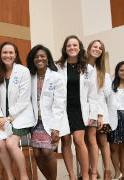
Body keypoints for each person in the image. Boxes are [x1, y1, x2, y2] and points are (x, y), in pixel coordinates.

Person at [56, 35, 99, 180]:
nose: (72, 48)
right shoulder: (57, 67)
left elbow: (93, 95)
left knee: (79, 140)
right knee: (66, 141)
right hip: (63, 110)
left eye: (75, 45)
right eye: (69, 45)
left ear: (79, 48)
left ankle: (85, 175)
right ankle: (72, 176)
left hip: (80, 110)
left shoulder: (88, 69)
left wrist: (93, 115)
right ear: (65, 49)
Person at [26, 45, 69, 180]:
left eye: (42, 56)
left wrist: (55, 128)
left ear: (47, 58)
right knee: (37, 154)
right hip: (35, 122)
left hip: (51, 122)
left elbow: (59, 103)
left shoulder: (56, 77)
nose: (39, 59)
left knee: (47, 152)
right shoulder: (30, 76)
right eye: (36, 56)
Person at [0, 41, 36, 180]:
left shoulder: (23, 71)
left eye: (11, 52)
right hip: (2, 118)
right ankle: (10, 177)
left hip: (20, 116)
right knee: (0, 144)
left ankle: (24, 177)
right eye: (5, 52)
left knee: (11, 143)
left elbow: (24, 100)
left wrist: (10, 117)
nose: (8, 55)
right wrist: (0, 117)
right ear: (0, 55)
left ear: (16, 55)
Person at [86, 40, 113, 180]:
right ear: (89, 48)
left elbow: (103, 95)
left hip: (100, 113)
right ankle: (90, 171)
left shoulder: (103, 73)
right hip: (86, 111)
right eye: (95, 46)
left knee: (102, 142)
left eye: (100, 48)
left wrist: (100, 114)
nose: (97, 49)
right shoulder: (82, 67)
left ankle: (107, 172)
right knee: (88, 142)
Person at [108, 61, 124, 180]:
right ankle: (117, 171)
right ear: (117, 71)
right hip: (114, 116)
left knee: (123, 147)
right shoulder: (111, 84)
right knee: (113, 147)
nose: (123, 73)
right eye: (121, 70)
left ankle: (123, 171)